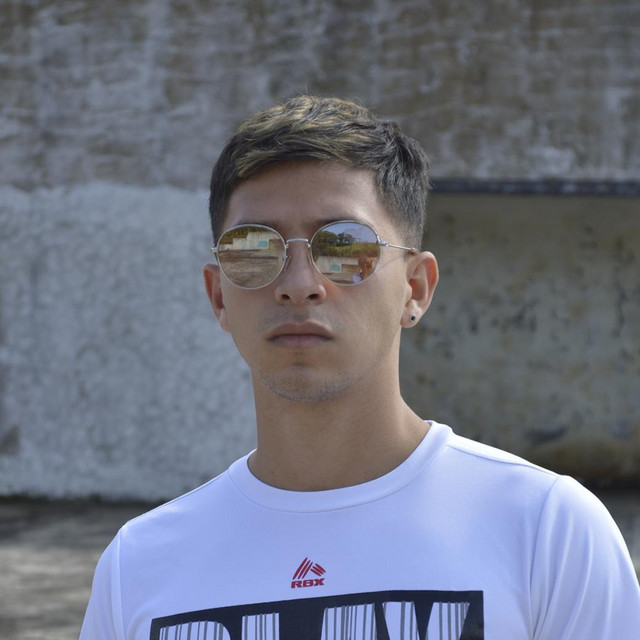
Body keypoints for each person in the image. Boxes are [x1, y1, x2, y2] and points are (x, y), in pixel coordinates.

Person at [80, 95, 640, 640]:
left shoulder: (546, 531)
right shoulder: (139, 565)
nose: (299, 285)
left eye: (344, 246)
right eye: (254, 248)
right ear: (218, 295)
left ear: (415, 288)